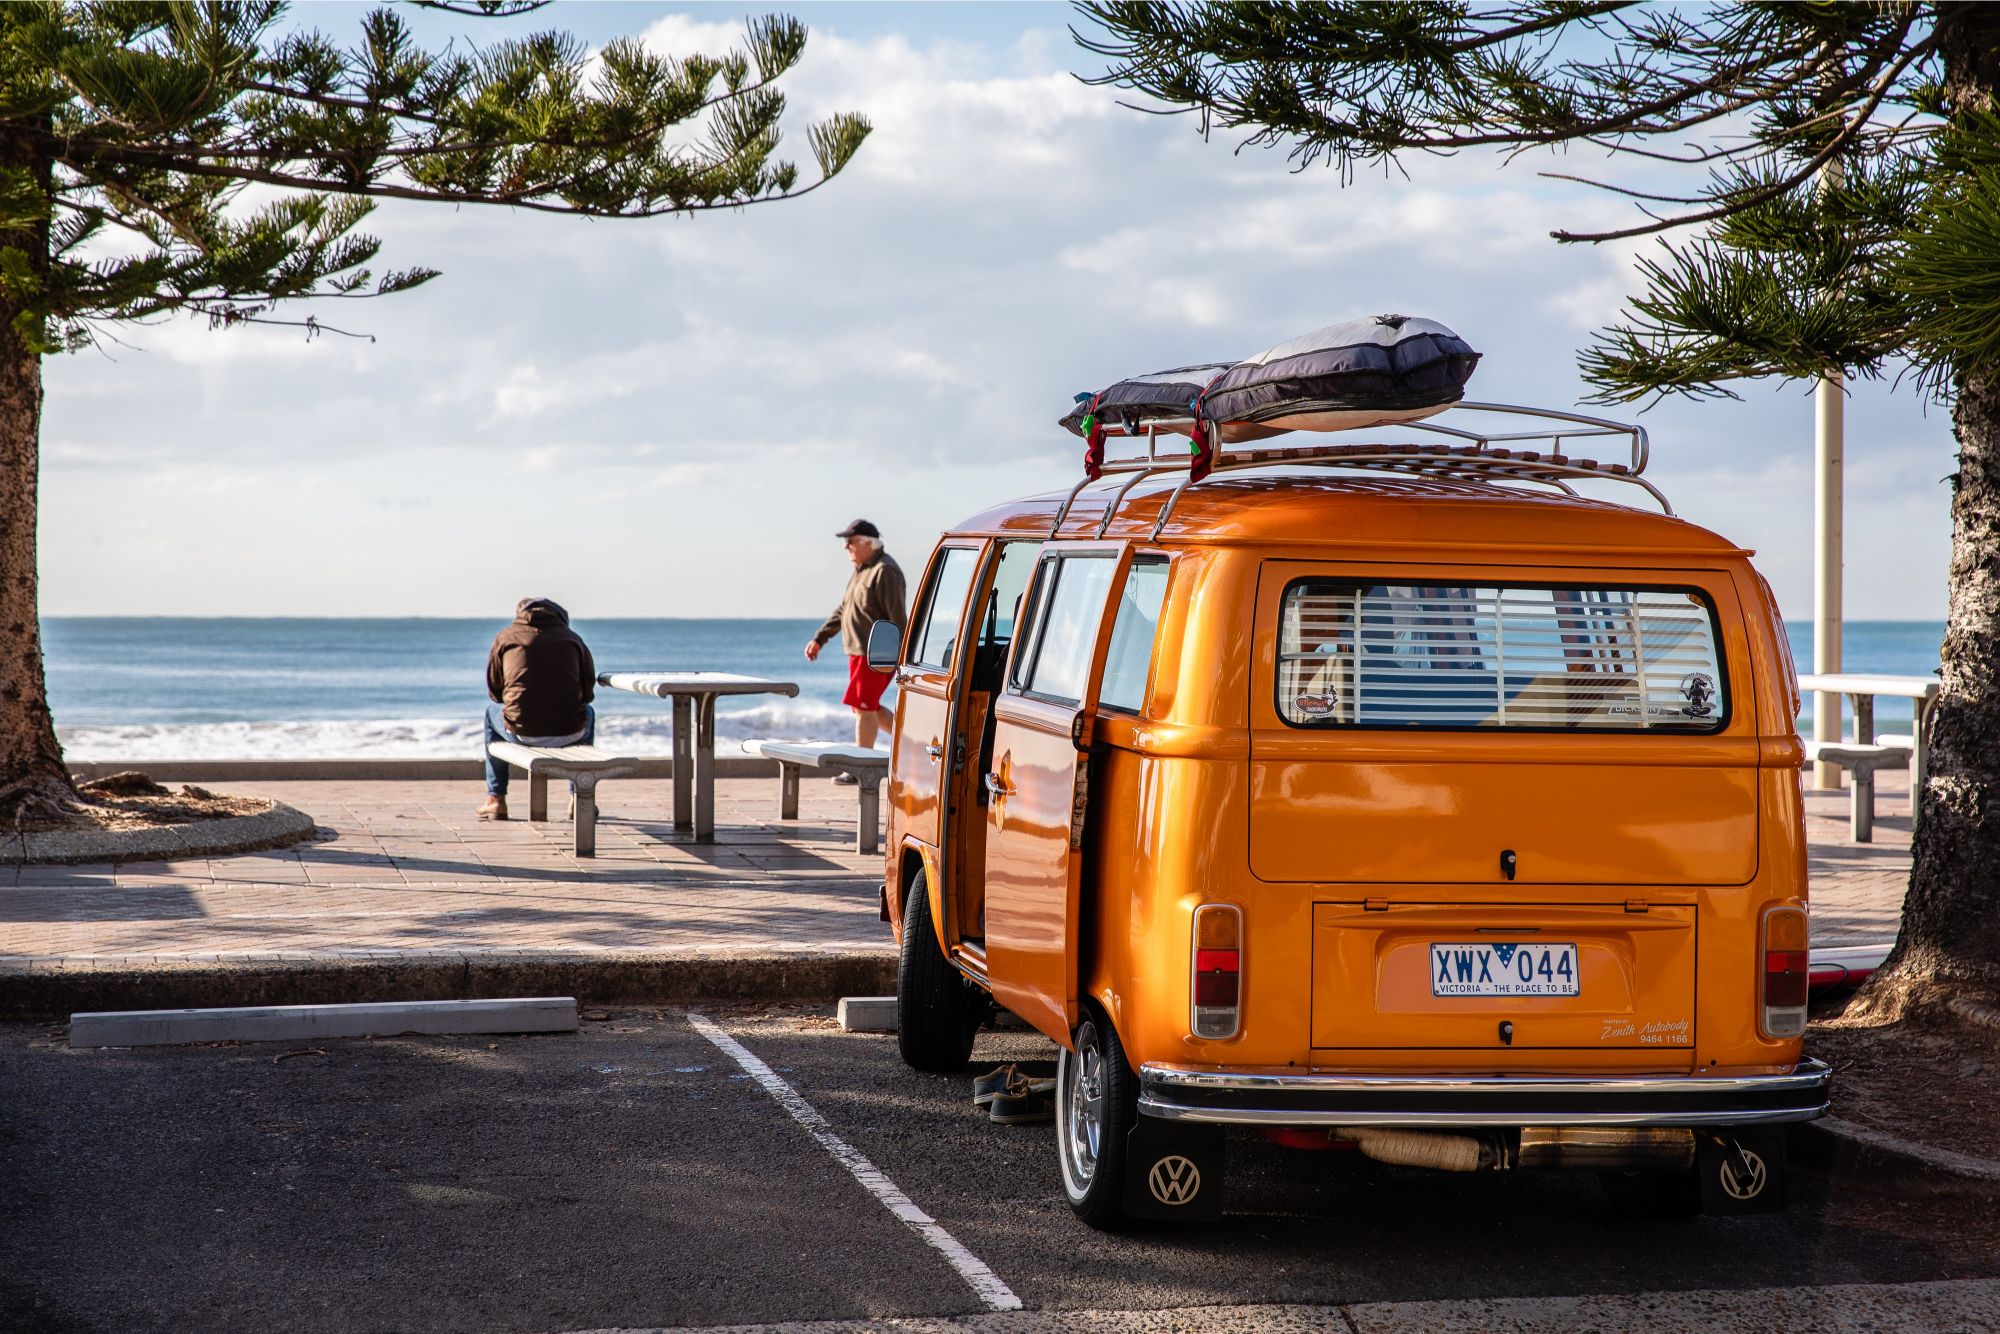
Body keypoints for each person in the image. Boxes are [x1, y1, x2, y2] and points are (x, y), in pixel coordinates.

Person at [804, 519, 908, 773]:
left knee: (863, 707)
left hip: (876, 653)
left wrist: (904, 655)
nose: (846, 548)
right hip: (858, 651)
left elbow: (898, 618)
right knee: (863, 707)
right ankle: (913, 743)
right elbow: (844, 609)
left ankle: (860, 769)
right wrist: (820, 638)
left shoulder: (885, 571)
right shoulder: (862, 570)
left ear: (867, 543)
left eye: (850, 542)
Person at [480, 597, 596, 820]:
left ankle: (496, 799)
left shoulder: (506, 637)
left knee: (489, 714)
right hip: (570, 732)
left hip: (521, 732)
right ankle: (577, 796)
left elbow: (495, 693)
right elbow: (588, 692)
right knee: (587, 713)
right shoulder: (574, 639)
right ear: (561, 617)